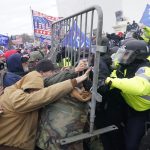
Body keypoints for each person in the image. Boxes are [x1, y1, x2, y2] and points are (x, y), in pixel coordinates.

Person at [0, 63, 91, 150]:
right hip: (10, 145)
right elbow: (44, 95)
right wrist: (75, 81)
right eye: (35, 90)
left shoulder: (17, 88)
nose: (37, 93)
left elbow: (49, 82)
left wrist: (72, 71)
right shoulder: (17, 98)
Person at [104, 39, 150, 150]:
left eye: (126, 54)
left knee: (133, 145)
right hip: (131, 109)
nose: (123, 57)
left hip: (144, 112)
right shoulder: (124, 67)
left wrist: (109, 81)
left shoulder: (146, 69)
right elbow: (114, 77)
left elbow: (139, 87)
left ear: (137, 56)